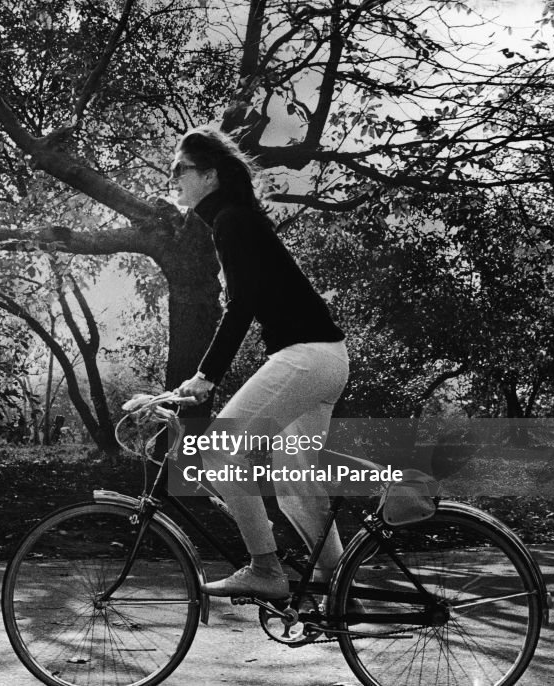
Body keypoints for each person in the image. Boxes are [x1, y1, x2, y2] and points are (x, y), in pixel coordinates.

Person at [171, 126, 349, 599]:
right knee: (294, 473)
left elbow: (241, 306)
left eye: (180, 170)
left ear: (209, 175)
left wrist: (206, 376)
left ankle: (265, 567)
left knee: (218, 451)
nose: (174, 180)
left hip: (306, 357)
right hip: (328, 359)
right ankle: (339, 578)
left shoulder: (232, 221)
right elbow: (249, 301)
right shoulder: (236, 219)